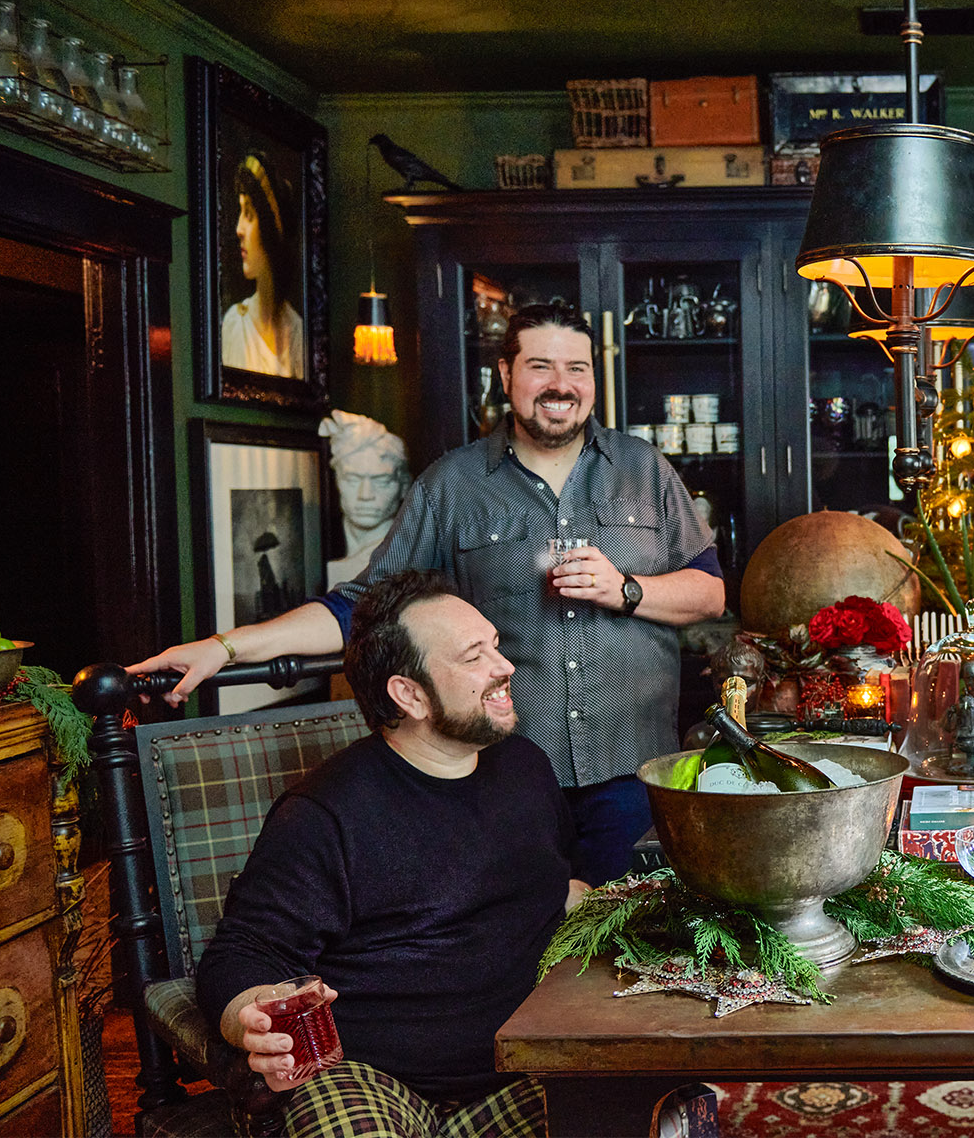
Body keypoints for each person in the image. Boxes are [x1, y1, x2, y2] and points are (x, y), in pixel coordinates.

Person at [131, 301, 726, 883]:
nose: (561, 384)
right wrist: (226, 647)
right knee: (516, 947)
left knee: (629, 945)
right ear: (505, 374)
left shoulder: (645, 469)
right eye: (541, 366)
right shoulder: (452, 484)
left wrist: (627, 588)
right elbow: (365, 605)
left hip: (633, 772)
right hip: (499, 773)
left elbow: (709, 594)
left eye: (578, 368)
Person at [197, 569, 587, 1138]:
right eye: (473, 656)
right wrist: (250, 1016)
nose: (503, 668)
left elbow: (561, 888)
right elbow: (242, 953)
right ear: (409, 694)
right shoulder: (326, 812)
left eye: (495, 646)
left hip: (523, 1069)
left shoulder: (525, 767)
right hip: (368, 1076)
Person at [221, 153, 305, 378]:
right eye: (240, 212)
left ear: (270, 228)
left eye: (248, 214)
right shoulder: (235, 324)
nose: (239, 229)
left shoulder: (299, 334)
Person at [316, 409, 411, 587]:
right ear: (337, 481)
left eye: (382, 481)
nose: (365, 495)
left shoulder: (404, 560)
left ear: (404, 486)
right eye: (352, 479)